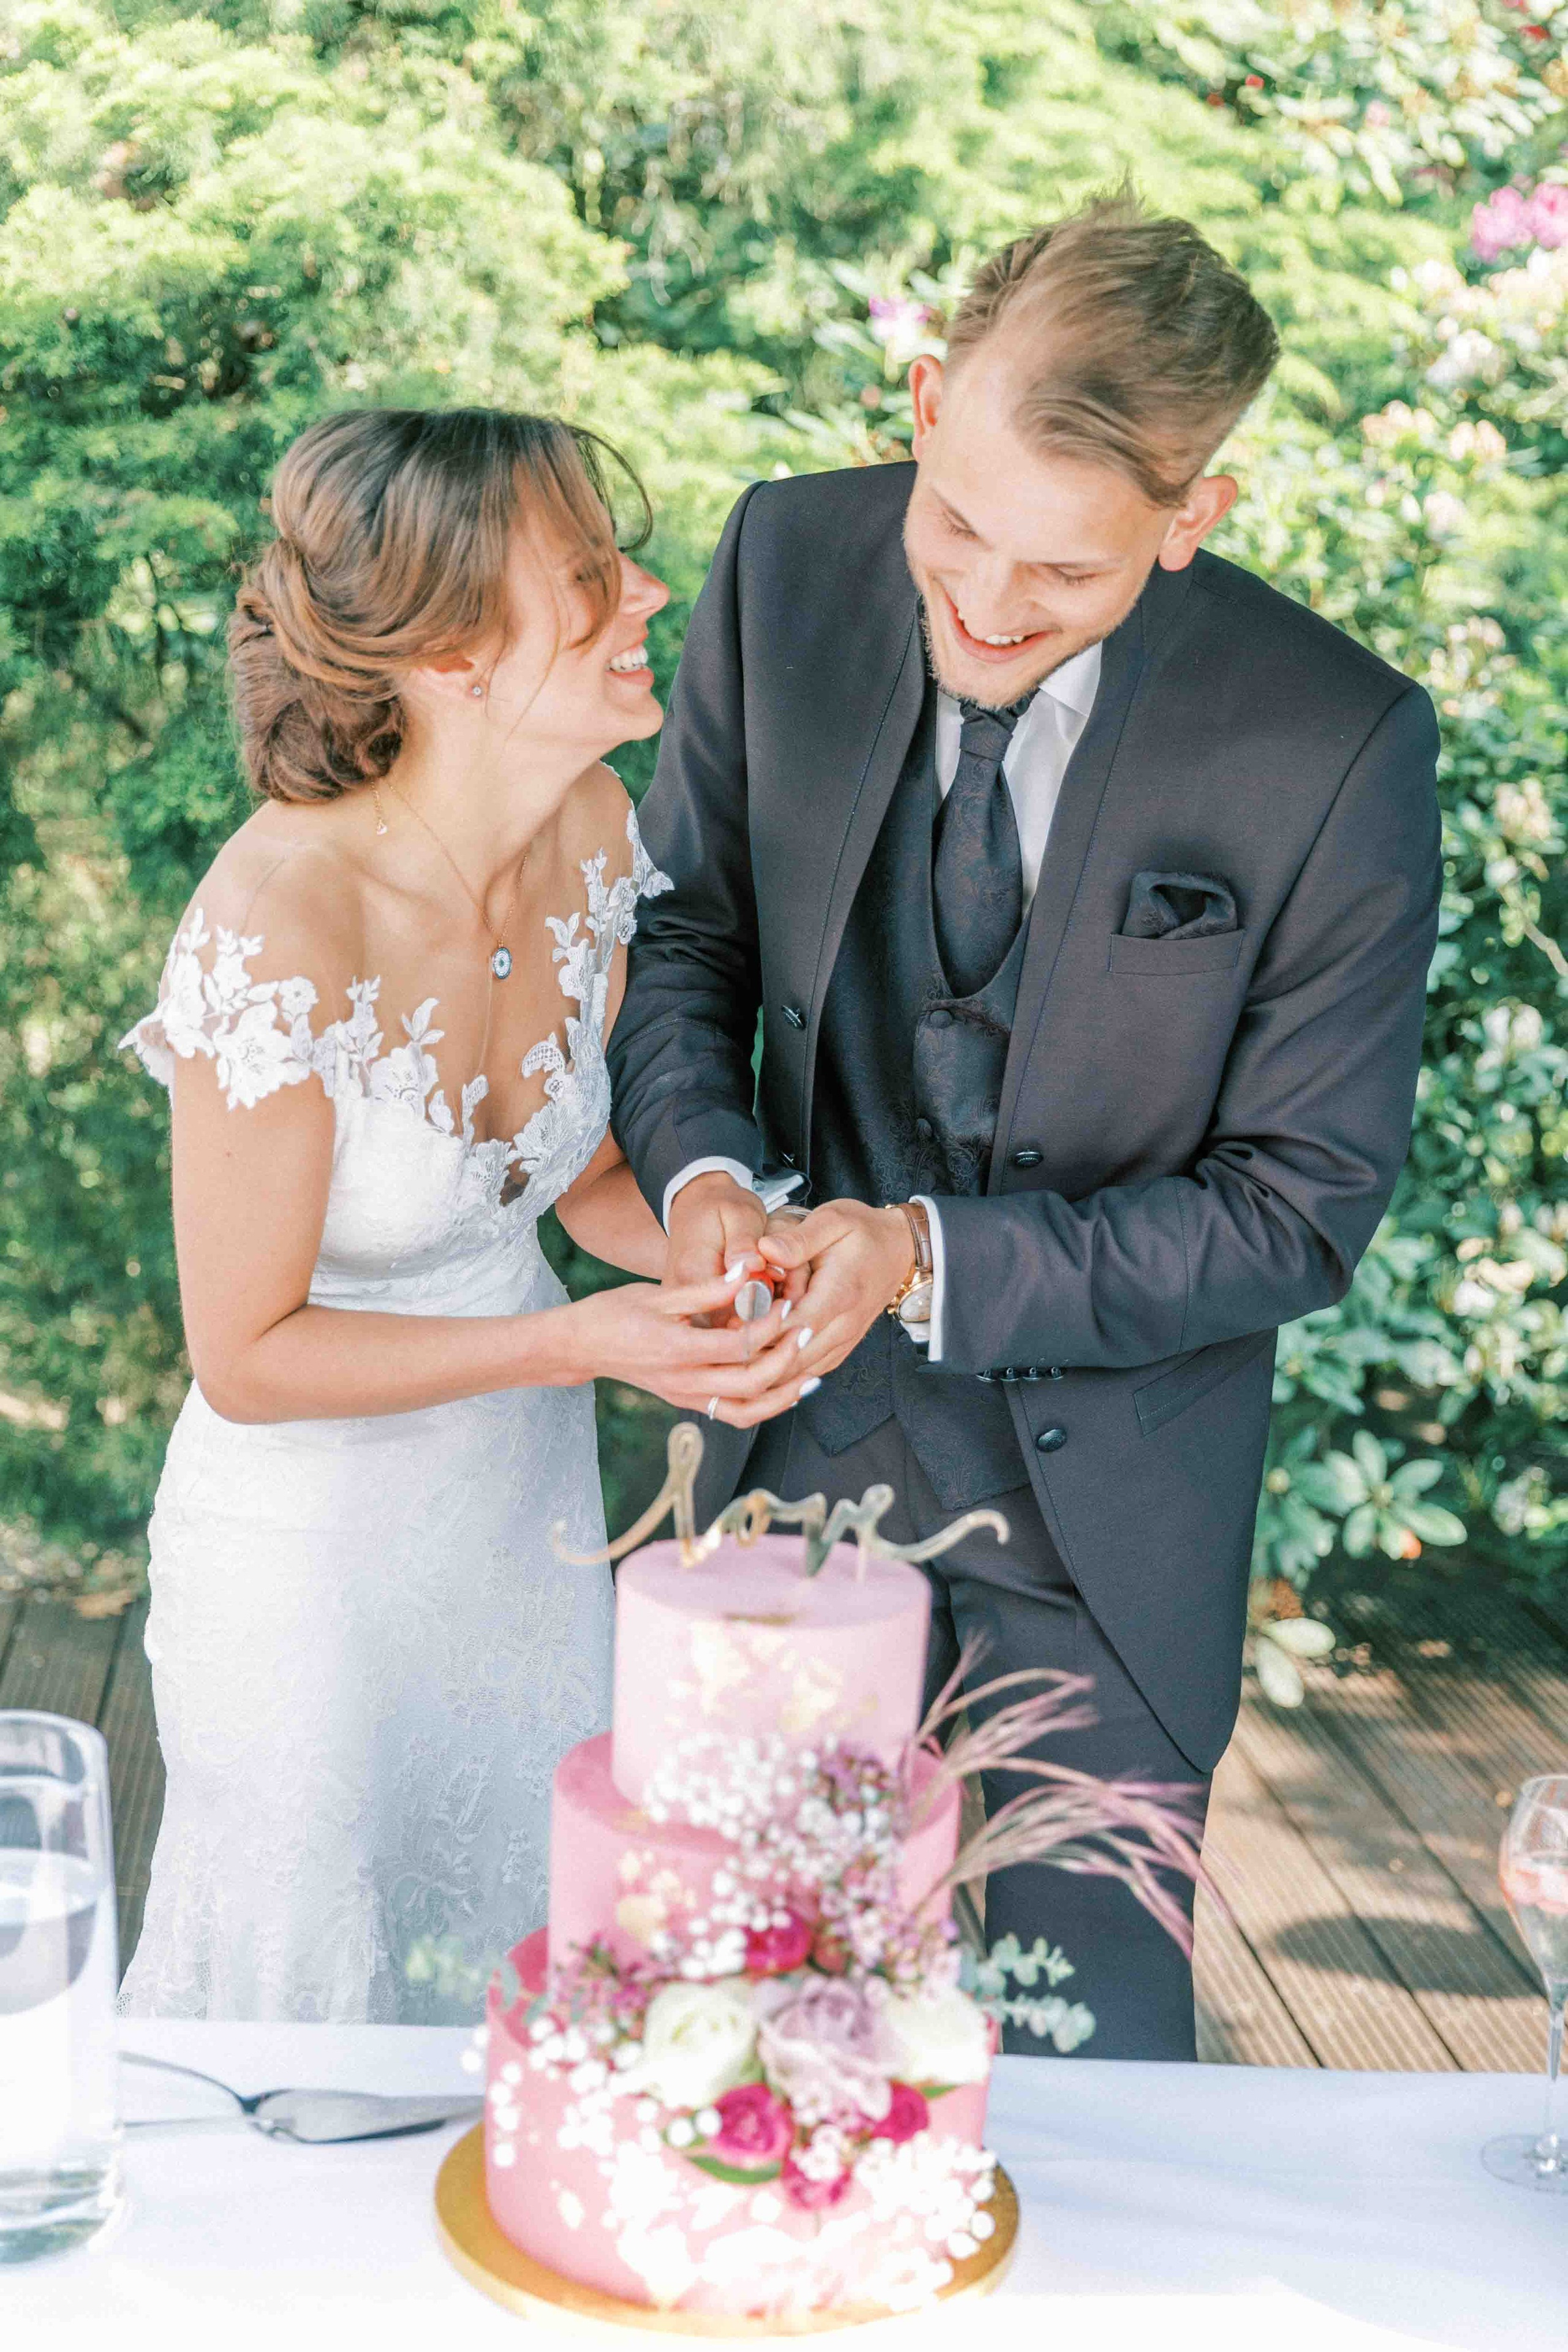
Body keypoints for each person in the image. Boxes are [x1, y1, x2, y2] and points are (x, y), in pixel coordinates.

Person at [606, 194, 1442, 2060]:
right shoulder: (786, 562)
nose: (984, 604)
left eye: (1062, 574)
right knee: (739, 2040)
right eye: (958, 527)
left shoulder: (1333, 738)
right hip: (790, 1462)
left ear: (1190, 518)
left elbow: (1298, 1211)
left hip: (1107, 1522)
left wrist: (930, 1258)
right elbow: (683, 930)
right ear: (924, 403)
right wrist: (709, 1172)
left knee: (1094, 2057)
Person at [117, 409, 808, 2022]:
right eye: (585, 574)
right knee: (305, 2009)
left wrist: (724, 1243)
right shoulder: (277, 926)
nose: (646, 594)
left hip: (518, 1531)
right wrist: (582, 1336)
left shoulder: (593, 836)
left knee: (506, 1965)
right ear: (448, 656)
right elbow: (247, 1355)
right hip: (301, 1564)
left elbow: (573, 1181)